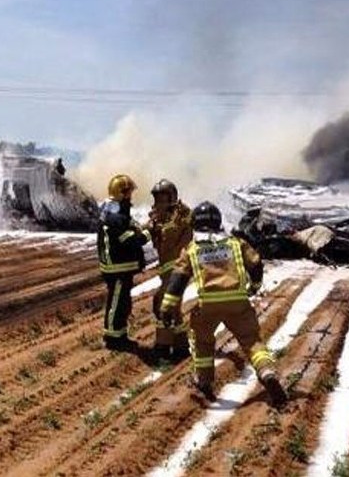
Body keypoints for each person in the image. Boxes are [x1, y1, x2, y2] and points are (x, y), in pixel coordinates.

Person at [160, 201, 287, 407]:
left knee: (203, 342)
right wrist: (254, 285)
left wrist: (167, 307)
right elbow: (255, 264)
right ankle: (266, 371)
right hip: (238, 302)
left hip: (208, 305)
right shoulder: (236, 243)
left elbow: (178, 280)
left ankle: (204, 381)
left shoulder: (192, 249)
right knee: (252, 341)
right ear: (218, 222)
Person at [97, 174, 150, 351]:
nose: (131, 198)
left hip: (120, 267)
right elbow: (130, 240)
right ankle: (112, 338)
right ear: (122, 193)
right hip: (117, 268)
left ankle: (120, 334)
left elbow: (130, 226)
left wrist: (142, 227)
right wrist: (147, 233)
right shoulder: (115, 216)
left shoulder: (114, 211)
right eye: (129, 194)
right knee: (117, 303)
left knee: (123, 302)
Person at [146, 179, 193, 362]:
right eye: (156, 199)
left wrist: (156, 226)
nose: (158, 203)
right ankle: (181, 346)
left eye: (162, 199)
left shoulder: (181, 215)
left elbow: (171, 236)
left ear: (172, 198)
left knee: (162, 304)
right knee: (173, 309)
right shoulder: (161, 217)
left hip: (178, 270)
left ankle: (163, 347)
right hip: (168, 271)